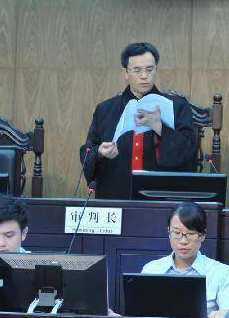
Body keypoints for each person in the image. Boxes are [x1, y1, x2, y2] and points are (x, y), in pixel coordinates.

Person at [79, 42, 197, 200]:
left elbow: (189, 152)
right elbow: (88, 149)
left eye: (150, 69)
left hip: (162, 195)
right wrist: (99, 152)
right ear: (126, 72)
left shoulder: (177, 106)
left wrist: (159, 127)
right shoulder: (105, 109)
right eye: (137, 70)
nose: (144, 76)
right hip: (116, 194)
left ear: (156, 69)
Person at [141, 202, 229, 318]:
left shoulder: (221, 272)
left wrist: (224, 314)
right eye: (177, 233)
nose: (183, 241)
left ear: (202, 235)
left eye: (191, 234)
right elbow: (138, 317)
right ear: (169, 232)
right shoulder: (151, 269)